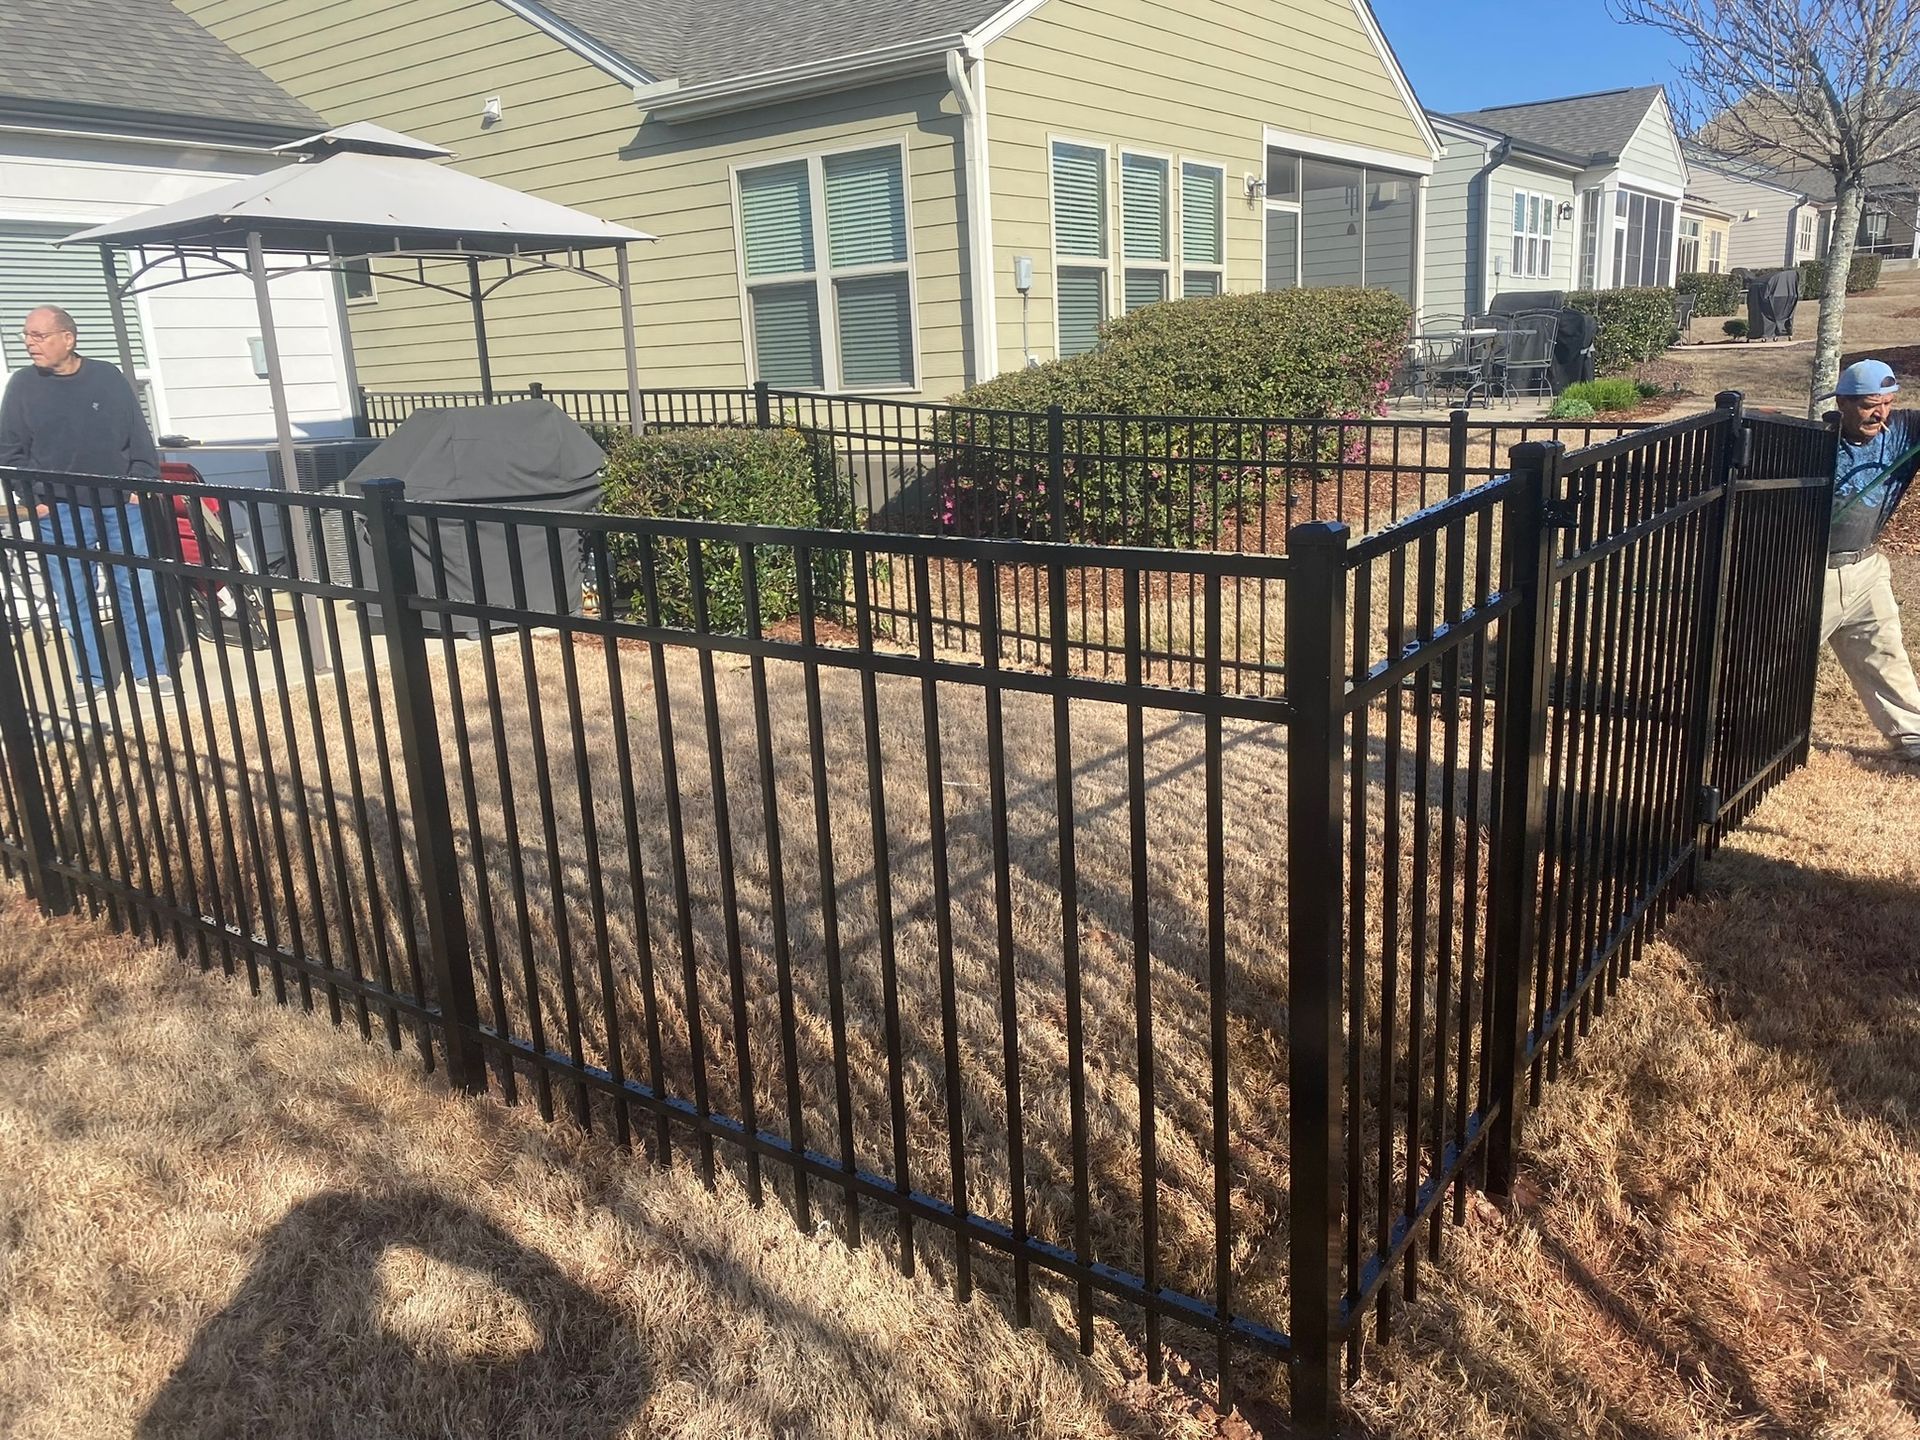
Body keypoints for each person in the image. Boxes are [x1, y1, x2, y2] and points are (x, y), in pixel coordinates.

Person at [0, 304, 174, 698]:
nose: (30, 344)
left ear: (68, 338)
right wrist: (34, 499)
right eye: (26, 336)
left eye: (39, 336)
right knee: (73, 596)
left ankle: (151, 669)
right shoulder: (22, 386)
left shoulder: (107, 378)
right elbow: (9, 453)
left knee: (138, 588)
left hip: (119, 505)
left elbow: (138, 438)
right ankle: (93, 678)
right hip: (58, 510)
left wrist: (138, 486)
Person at [1822, 357, 1920, 761]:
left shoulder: (1903, 433)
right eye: (1867, 404)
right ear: (1842, 402)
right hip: (1811, 573)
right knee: (1778, 660)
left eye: (1886, 403)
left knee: (1885, 652)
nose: (1879, 414)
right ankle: (1741, 733)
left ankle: (1913, 739)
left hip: (1866, 569)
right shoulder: (1815, 442)